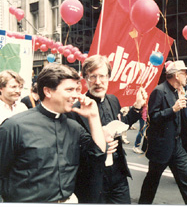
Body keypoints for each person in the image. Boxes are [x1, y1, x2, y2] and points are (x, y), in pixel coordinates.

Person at [0, 63, 107, 202]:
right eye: (69, 90)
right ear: (48, 91)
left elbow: (98, 155)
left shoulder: (74, 127)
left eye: (77, 89)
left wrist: (93, 117)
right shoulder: (14, 126)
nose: (75, 95)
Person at [68, 54, 147, 204]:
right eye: (92, 77)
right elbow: (72, 148)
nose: (98, 82)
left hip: (117, 174)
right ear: (85, 79)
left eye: (102, 76)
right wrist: (98, 145)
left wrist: (137, 107)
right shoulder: (76, 109)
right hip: (91, 178)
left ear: (109, 77)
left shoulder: (113, 100)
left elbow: (121, 125)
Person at [138, 60, 187, 205]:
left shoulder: (177, 91)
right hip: (161, 147)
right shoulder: (159, 91)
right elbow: (153, 117)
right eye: (184, 73)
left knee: (186, 182)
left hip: (176, 146)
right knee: (152, 181)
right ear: (176, 75)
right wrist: (173, 109)